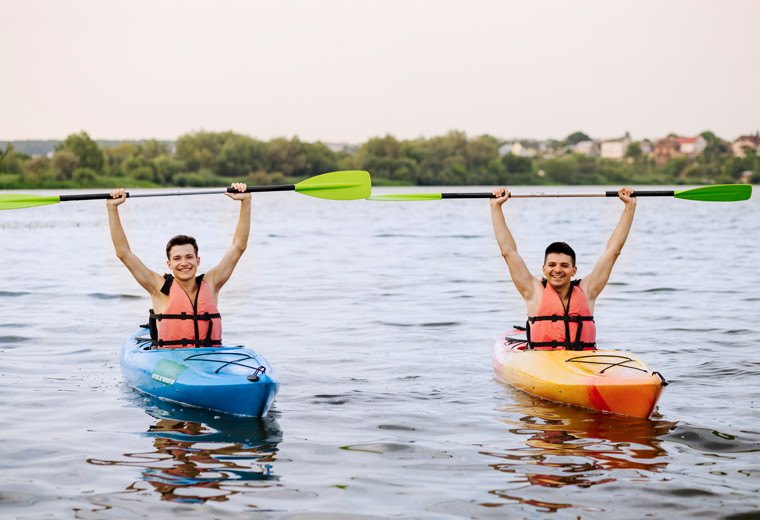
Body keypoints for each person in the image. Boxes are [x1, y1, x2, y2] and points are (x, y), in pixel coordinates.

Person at [490, 187, 636, 351]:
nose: (557, 270)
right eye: (552, 265)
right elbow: (508, 252)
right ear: (544, 269)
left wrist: (629, 206)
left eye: (564, 265)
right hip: (543, 362)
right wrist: (496, 207)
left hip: (582, 363)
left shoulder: (588, 291)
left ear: (574, 271)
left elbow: (613, 251)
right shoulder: (534, 292)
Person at [107, 184, 251, 348]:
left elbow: (238, 247)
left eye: (189, 257)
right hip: (171, 362)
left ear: (198, 261)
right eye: (177, 258)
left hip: (208, 361)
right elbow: (123, 253)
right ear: (169, 264)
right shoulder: (158, 287)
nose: (184, 263)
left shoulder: (212, 284)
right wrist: (112, 208)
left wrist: (246, 201)